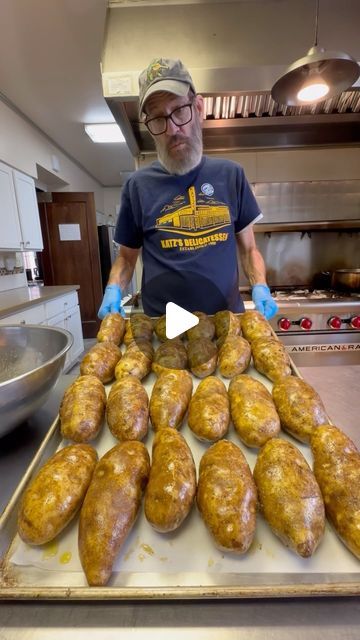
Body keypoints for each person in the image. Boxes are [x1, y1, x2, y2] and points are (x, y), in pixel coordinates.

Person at [98, 57, 278, 321]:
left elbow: (250, 250)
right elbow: (126, 258)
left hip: (224, 323)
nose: (172, 129)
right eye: (158, 118)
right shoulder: (138, 186)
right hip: (166, 327)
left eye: (179, 111)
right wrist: (113, 288)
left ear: (199, 107)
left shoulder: (231, 176)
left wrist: (260, 285)